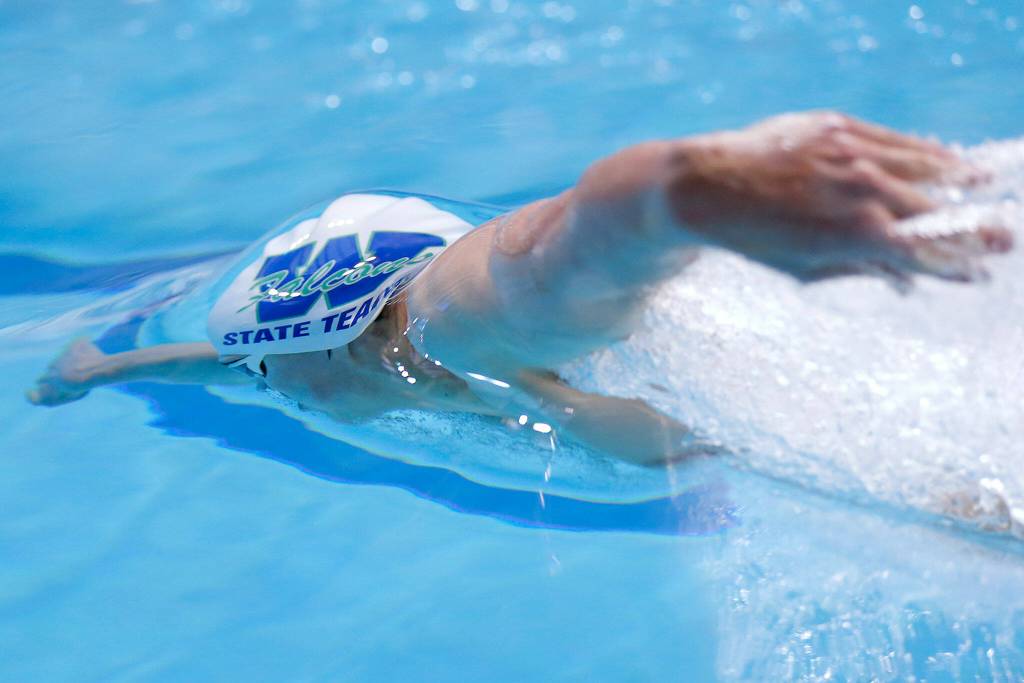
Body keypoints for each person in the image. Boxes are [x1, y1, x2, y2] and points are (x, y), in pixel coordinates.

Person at [27, 111, 1013, 465]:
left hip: (444, 294)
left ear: (350, 339)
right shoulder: (295, 362)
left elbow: (661, 444)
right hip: (407, 282)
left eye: (288, 373)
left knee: (515, 292)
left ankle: (668, 193)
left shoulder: (437, 347)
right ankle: (668, 197)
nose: (277, 386)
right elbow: (211, 363)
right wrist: (88, 369)